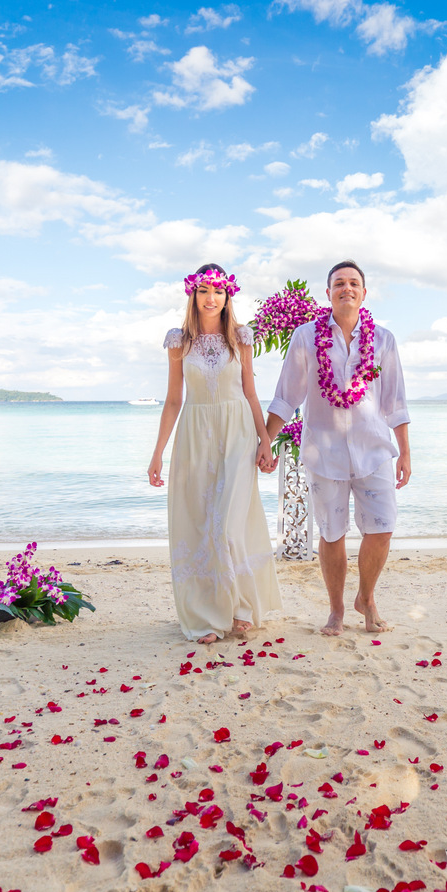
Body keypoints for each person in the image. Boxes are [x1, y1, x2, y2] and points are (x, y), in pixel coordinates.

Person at [265, 260, 410, 635]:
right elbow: (287, 395)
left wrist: (406, 452)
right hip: (324, 453)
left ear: (364, 292)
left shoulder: (383, 339)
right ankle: (336, 610)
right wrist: (266, 440)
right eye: (339, 283)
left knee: (382, 527)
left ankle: (367, 597)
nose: (347, 288)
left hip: (374, 449)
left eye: (354, 283)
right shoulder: (304, 337)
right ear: (327, 293)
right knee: (331, 534)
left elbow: (394, 402)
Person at [148, 264, 283, 643]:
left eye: (219, 291)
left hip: (237, 435)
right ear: (193, 295)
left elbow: (251, 392)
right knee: (200, 524)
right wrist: (158, 452)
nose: (211, 298)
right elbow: (174, 399)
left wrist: (265, 440)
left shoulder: (241, 337)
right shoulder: (179, 341)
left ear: (228, 297)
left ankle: (241, 607)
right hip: (195, 437)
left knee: (230, 525)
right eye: (204, 290)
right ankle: (209, 617)